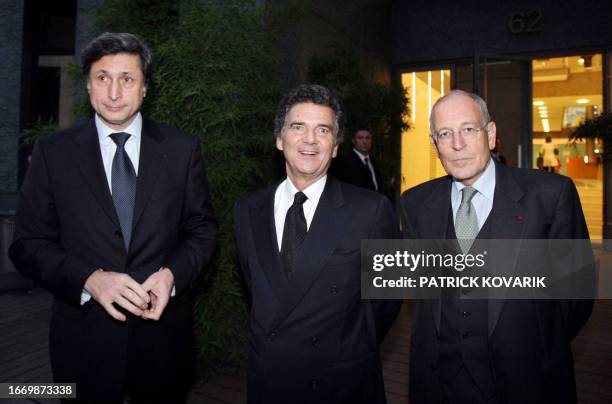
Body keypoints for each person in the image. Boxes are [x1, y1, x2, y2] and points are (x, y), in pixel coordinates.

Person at [9, 32, 218, 404]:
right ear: (88, 87)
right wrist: (89, 280)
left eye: (127, 79)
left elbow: (202, 231)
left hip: (163, 341)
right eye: (103, 78)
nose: (114, 91)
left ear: (145, 89)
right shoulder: (53, 154)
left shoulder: (181, 150)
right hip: (82, 342)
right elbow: (27, 244)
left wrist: (171, 275)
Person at [401, 89, 593, 403]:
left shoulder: (550, 195)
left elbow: (577, 296)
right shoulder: (415, 204)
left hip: (526, 381)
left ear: (490, 134)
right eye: (445, 134)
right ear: (435, 144)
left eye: (468, 130)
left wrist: (535, 346)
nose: (457, 144)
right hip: (439, 384)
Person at [234, 84, 401, 404]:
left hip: (340, 382)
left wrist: (345, 346)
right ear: (280, 139)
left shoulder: (371, 210)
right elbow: (256, 286)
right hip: (270, 378)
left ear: (336, 146)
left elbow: (387, 301)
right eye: (298, 127)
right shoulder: (247, 210)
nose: (310, 140)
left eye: (322, 130)